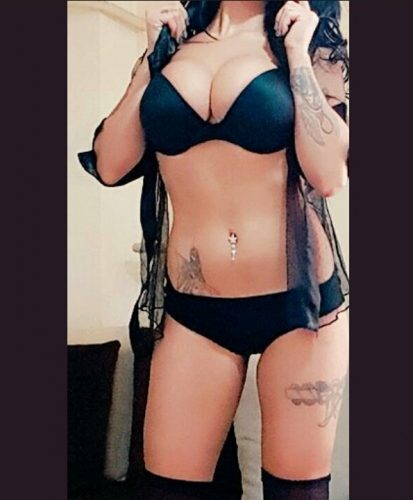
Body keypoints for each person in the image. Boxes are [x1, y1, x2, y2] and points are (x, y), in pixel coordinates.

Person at [78, 1, 350, 498]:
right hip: (195, 312)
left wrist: (297, 57)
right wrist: (150, 59)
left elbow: (329, 175)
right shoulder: (173, 47)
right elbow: (111, 164)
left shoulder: (310, 41)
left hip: (299, 307)